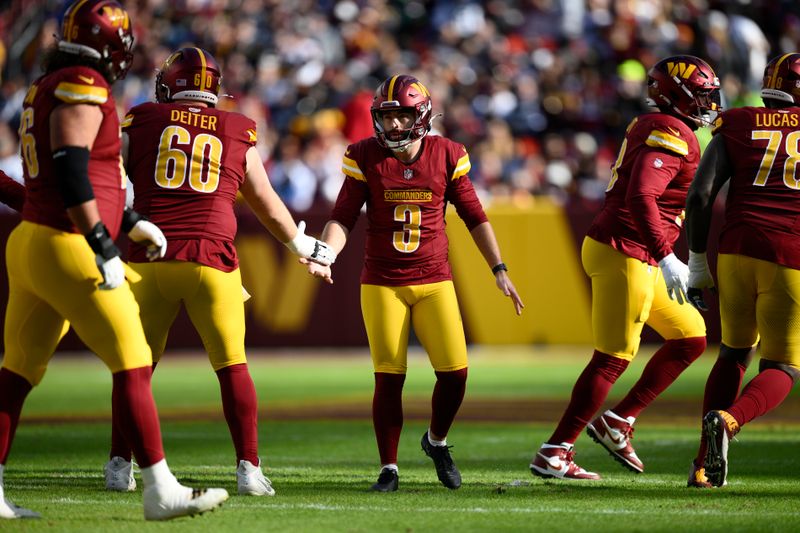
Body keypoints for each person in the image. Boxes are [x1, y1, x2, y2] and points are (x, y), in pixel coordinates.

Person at [0, 1, 229, 520]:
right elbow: (72, 170)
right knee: (133, 359)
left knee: (17, 371)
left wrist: (127, 222)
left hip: (36, 239)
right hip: (68, 241)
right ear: (111, 44)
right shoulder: (83, 81)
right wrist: (105, 242)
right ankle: (160, 489)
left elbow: (83, 176)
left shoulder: (48, 83)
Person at [103, 47, 336, 496]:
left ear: (171, 83)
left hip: (150, 257)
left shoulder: (144, 118)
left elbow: (110, 177)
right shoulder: (237, 127)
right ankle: (248, 470)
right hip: (212, 259)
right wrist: (303, 246)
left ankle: (119, 464)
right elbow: (265, 201)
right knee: (232, 366)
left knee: (134, 370)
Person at [304, 74, 524, 492]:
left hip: (434, 278)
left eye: (401, 116)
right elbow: (343, 216)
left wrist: (499, 269)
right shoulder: (364, 155)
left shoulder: (447, 154)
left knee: (456, 374)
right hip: (383, 281)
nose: (392, 126)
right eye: (386, 117)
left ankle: (436, 440)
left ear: (421, 115)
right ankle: (389, 468)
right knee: (389, 378)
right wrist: (326, 253)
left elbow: (475, 216)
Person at [529, 55, 721, 480]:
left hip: (635, 251)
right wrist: (669, 255)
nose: (710, 101)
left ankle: (618, 421)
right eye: (703, 94)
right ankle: (555, 451)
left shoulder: (655, 124)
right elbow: (642, 196)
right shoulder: (671, 131)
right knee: (613, 357)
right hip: (628, 250)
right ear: (677, 95)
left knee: (690, 337)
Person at [685, 52, 800, 488]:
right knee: (785, 367)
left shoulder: (736, 122)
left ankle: (701, 466)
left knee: (734, 351)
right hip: (790, 255)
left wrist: (697, 263)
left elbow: (700, 196)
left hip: (733, 250)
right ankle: (730, 421)